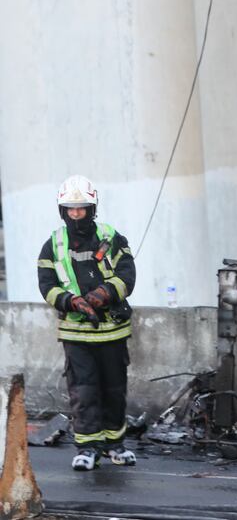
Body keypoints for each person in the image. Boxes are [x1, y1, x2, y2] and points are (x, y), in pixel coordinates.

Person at [37, 175, 137, 471]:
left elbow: (128, 274)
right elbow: (46, 285)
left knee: (114, 390)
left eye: (81, 208)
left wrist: (104, 294)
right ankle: (88, 448)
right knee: (83, 391)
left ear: (92, 208)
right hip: (76, 333)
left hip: (113, 331)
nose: (76, 213)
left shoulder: (111, 236)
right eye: (71, 208)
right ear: (63, 209)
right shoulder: (53, 244)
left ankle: (115, 446)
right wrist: (73, 302)